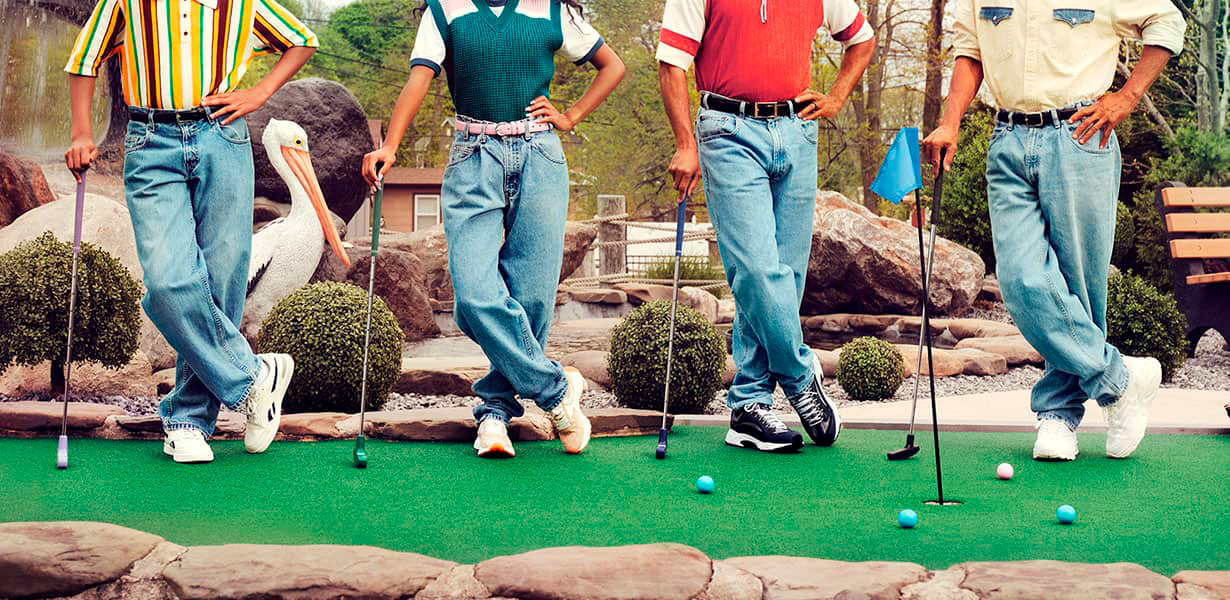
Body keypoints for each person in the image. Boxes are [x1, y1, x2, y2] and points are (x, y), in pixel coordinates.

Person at [923, 1, 1185, 460]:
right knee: (1021, 278)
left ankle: (1058, 414)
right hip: (1007, 139)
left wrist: (1126, 98)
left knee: (1079, 284)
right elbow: (970, 53)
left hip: (1082, 134)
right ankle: (1119, 382)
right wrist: (950, 122)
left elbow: (1167, 21)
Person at [363, 0, 625, 458]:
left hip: (540, 156)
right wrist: (390, 145)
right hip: (473, 157)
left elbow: (611, 66)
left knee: (533, 296)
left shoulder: (551, 11)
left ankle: (495, 411)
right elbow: (419, 78)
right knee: (473, 295)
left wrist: (571, 115)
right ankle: (556, 390)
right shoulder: (445, 11)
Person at [64, 0, 318, 463]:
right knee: (167, 280)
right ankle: (254, 378)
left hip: (222, 135)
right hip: (150, 140)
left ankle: (187, 421)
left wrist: (259, 93)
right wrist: (83, 132)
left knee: (221, 281)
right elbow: (84, 60)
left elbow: (302, 41)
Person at [656, 0, 874, 452]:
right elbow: (672, 64)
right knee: (755, 270)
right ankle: (799, 376)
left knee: (786, 278)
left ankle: (750, 406)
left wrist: (835, 98)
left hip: (796, 130)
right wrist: (685, 143)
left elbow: (861, 38)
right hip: (727, 130)